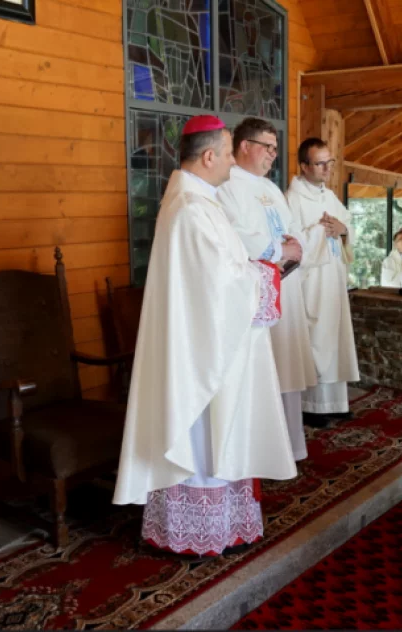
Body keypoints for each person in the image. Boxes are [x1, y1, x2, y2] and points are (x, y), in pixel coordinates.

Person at [113, 115, 297, 556]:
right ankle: (199, 531)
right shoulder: (192, 210)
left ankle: (218, 524)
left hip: (208, 340)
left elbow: (222, 275)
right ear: (210, 155)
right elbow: (221, 286)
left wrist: (253, 271)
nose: (234, 162)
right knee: (206, 435)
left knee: (218, 432)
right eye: (231, 152)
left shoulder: (197, 201)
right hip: (202, 352)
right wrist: (267, 273)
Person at [217, 117, 316, 461]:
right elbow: (234, 236)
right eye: (268, 147)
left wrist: (297, 245)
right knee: (259, 371)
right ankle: (259, 450)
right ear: (245, 146)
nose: (274, 154)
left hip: (284, 287)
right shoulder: (226, 185)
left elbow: (292, 228)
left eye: (276, 148)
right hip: (253, 293)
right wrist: (278, 251)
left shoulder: (272, 189)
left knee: (284, 367)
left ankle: (289, 446)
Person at [286, 138, 360, 427]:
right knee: (315, 337)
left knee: (335, 336)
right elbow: (291, 239)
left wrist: (342, 231)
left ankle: (334, 402)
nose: (327, 168)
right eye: (320, 163)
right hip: (311, 279)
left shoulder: (327, 195)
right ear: (304, 166)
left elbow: (346, 226)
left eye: (330, 162)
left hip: (332, 276)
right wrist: (321, 230)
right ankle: (310, 405)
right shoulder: (292, 198)